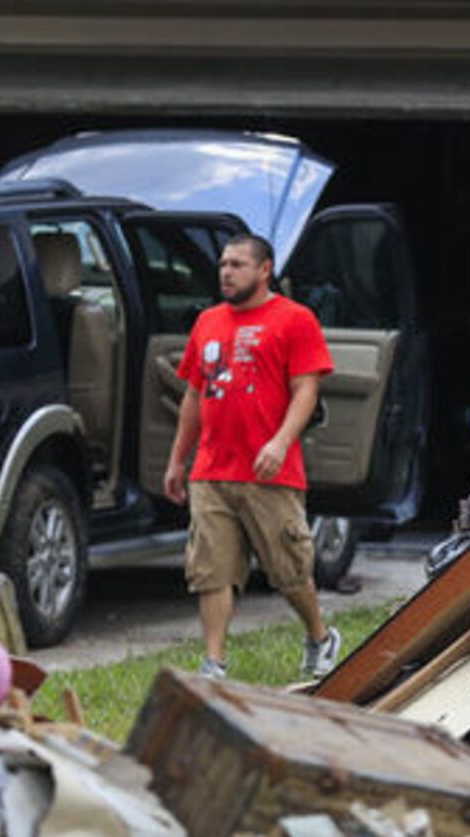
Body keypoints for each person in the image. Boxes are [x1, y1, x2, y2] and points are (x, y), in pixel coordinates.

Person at [164, 232, 341, 681]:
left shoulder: (295, 319)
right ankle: (214, 663)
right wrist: (176, 461)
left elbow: (307, 390)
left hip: (270, 471)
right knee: (212, 570)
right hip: (211, 469)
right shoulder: (207, 322)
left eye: (238, 264)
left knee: (289, 571)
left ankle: (320, 636)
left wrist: (280, 442)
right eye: (223, 263)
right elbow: (192, 396)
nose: (226, 271)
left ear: (264, 270)